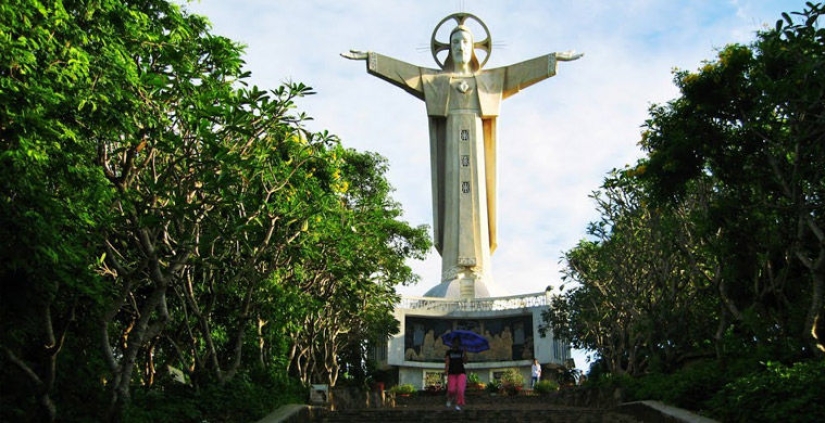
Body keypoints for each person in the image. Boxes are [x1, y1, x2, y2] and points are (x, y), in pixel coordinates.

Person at [342, 13, 582, 299]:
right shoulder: (437, 81)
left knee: (477, 201)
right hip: (451, 147)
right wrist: (373, 59)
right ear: (447, 47)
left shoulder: (490, 80)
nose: (460, 47)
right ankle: (452, 270)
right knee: (454, 200)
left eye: (465, 41)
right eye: (455, 41)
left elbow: (520, 72)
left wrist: (551, 60)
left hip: (477, 146)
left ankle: (480, 268)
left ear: (475, 48)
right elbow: (404, 72)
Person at [444, 338, 468, 410]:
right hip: (452, 373)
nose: (456, 344)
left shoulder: (461, 352)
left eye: (457, 343)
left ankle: (459, 404)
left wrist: (465, 353)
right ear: (452, 343)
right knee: (451, 390)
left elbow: (465, 361)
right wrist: (446, 370)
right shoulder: (449, 352)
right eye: (454, 343)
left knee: (460, 389)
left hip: (461, 372)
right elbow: (447, 362)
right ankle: (449, 399)